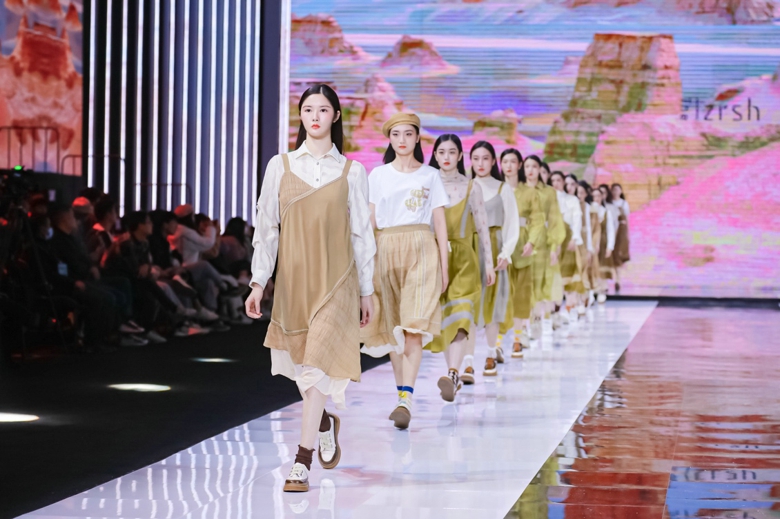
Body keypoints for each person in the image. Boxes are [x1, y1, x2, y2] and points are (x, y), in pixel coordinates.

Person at [244, 83, 376, 493]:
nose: (315, 116)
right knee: (303, 368)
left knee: (317, 365)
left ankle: (301, 461)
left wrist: (367, 290)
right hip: (294, 283)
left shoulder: (353, 171)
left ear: (336, 116)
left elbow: (362, 235)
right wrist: (258, 282)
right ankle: (322, 423)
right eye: (307, 110)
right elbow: (266, 229)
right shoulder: (279, 166)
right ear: (300, 116)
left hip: (337, 281)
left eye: (322, 109)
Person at [360, 112, 449, 430]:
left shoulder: (430, 176)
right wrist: (362, 262)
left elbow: (440, 224)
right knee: (393, 329)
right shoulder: (378, 175)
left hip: (422, 248)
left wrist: (445, 268)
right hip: (385, 248)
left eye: (408, 134)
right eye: (396, 134)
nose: (402, 140)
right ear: (389, 138)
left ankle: (406, 399)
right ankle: (402, 395)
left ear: (417, 138)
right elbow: (369, 221)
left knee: (413, 326)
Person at [428, 134, 494, 401]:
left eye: (452, 152)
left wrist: (489, 264)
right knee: (446, 318)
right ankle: (452, 374)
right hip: (435, 257)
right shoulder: (427, 184)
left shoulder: (471, 187)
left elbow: (482, 227)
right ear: (434, 155)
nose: (446, 157)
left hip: (465, 259)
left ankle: (453, 372)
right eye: (442, 152)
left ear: (459, 156)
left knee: (463, 313)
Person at [466, 141, 519, 379]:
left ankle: (490, 354)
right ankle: (467, 361)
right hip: (469, 248)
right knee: (468, 304)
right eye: (475, 158)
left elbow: (511, 223)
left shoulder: (502, 188)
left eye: (485, 158)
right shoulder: (466, 187)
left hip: (495, 248)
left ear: (493, 161)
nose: (480, 163)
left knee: (493, 304)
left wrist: (506, 253)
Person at [502, 149, 544, 358]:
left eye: (513, 161)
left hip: (522, 246)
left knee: (521, 295)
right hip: (500, 245)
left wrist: (531, 241)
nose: (509, 166)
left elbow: (537, 220)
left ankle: (517, 339)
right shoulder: (496, 189)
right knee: (500, 296)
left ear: (519, 165)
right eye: (505, 161)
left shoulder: (529, 192)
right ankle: (497, 343)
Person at [527, 158, 564, 338]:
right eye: (527, 166)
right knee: (525, 285)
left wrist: (554, 246)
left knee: (541, 284)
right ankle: (527, 324)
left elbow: (555, 220)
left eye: (535, 167)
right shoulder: (518, 190)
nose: (531, 170)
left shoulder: (549, 192)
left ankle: (536, 320)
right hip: (521, 241)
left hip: (542, 244)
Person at [549, 171, 582, 327]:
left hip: (567, 241)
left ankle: (568, 310)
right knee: (553, 280)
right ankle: (553, 313)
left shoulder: (571, 199)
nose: (556, 183)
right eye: (553, 180)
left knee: (567, 278)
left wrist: (575, 238)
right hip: (551, 242)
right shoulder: (547, 199)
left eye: (558, 180)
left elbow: (577, 219)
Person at [610, 183, 631, 292]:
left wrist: (627, 234)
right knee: (612, 256)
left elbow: (627, 219)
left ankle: (618, 280)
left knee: (619, 255)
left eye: (617, 189)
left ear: (621, 191)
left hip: (621, 233)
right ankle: (614, 279)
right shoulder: (609, 203)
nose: (615, 192)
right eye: (614, 190)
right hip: (611, 231)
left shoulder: (624, 203)